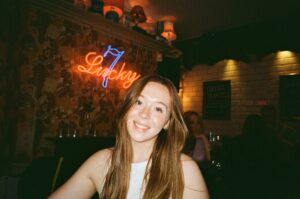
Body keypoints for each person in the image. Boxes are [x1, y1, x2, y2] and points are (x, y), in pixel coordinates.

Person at [48, 75, 209, 199]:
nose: (144, 114)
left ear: (168, 122)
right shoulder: (102, 161)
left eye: (158, 109)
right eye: (139, 102)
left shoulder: (183, 169)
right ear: (127, 108)